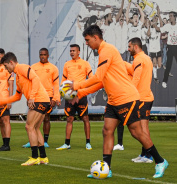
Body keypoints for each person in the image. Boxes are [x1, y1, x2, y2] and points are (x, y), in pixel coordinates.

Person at [69, 25, 168, 178]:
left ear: (96, 38)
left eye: (87, 40)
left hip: (125, 98)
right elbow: (102, 82)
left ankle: (160, 161)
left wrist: (76, 85)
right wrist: (80, 92)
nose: (86, 43)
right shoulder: (104, 53)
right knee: (107, 130)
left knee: (136, 132)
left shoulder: (107, 50)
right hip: (114, 100)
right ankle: (106, 170)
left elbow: (97, 78)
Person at [0, 52, 50, 166]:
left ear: (11, 62)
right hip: (41, 100)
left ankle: (34, 157)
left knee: (29, 126)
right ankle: (43, 157)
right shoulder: (17, 77)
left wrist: (32, 97)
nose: (6, 70)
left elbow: (35, 79)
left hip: (39, 100)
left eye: (6, 66)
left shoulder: (22, 68)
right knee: (35, 128)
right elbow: (17, 96)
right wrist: (1, 102)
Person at [56, 44, 93, 151]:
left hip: (81, 95)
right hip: (69, 97)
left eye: (74, 51)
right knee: (69, 119)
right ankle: (67, 143)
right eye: (70, 51)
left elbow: (91, 79)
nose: (71, 52)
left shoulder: (85, 64)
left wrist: (82, 89)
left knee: (85, 118)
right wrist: (60, 95)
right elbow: (63, 81)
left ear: (79, 52)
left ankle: (88, 143)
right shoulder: (67, 64)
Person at [22, 48, 60, 148]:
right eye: (41, 54)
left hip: (48, 97)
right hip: (35, 96)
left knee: (46, 118)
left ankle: (45, 141)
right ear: (39, 55)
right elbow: (29, 83)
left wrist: (55, 98)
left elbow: (56, 85)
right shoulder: (33, 67)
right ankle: (32, 140)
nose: (42, 56)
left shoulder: (53, 68)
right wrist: (29, 97)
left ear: (48, 55)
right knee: (32, 120)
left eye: (44, 55)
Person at [124, 37, 155, 163]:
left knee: (143, 129)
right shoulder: (145, 58)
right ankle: (144, 154)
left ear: (135, 47)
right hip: (145, 97)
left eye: (129, 46)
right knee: (142, 129)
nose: (128, 49)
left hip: (142, 98)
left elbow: (135, 80)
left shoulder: (139, 59)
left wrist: (128, 95)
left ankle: (148, 156)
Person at [154, 11, 177, 88]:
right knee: (168, 66)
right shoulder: (167, 26)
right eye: (169, 16)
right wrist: (153, 24)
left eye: (171, 16)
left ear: (174, 17)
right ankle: (164, 81)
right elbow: (158, 29)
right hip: (170, 47)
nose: (169, 17)